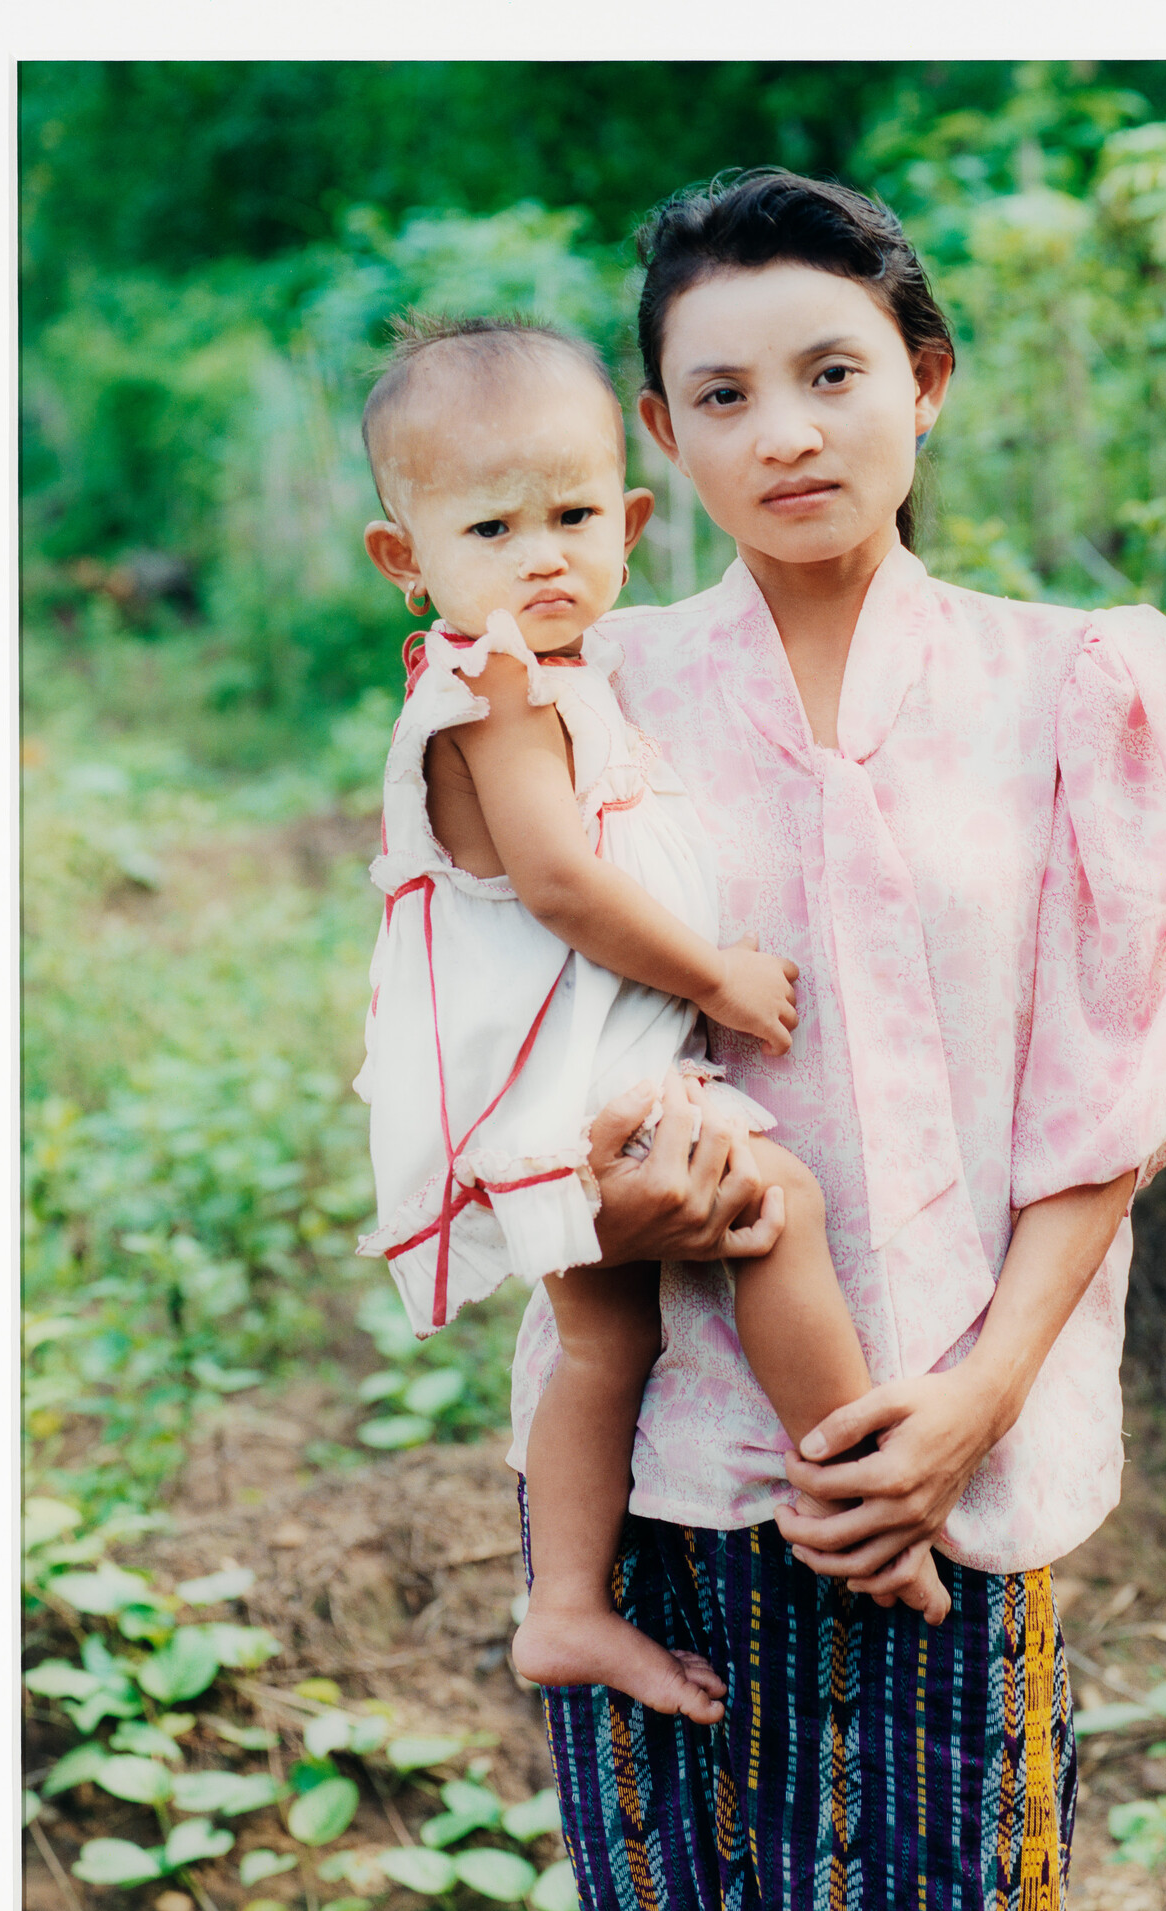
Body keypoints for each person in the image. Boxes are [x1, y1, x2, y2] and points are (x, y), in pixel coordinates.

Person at [503, 170, 1166, 1911]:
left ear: (927, 379)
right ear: (662, 435)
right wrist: (594, 1201)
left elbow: (1113, 1090)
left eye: (833, 372)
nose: (787, 432)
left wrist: (978, 1398)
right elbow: (481, 1031)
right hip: (667, 1457)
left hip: (950, 1465)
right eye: (725, 395)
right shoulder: (582, 696)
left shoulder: (1075, 684)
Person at [353, 313, 953, 1728]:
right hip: (564, 1078)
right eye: (490, 529)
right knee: (778, 1209)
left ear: (628, 523)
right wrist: (715, 979)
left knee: (605, 1344)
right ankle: (857, 1501)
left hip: (560, 1071)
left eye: (572, 518)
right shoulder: (495, 686)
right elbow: (559, 881)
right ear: (405, 559)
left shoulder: (560, 675)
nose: (541, 557)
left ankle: (565, 1604)